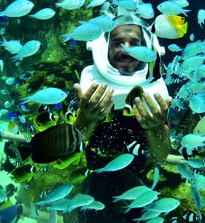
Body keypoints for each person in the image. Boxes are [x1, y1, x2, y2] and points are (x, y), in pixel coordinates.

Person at [72, 15, 172, 222]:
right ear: (104, 48)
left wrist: (155, 127)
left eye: (134, 43)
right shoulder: (91, 88)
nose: (126, 49)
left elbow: (161, 155)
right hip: (96, 185)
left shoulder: (155, 91)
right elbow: (73, 143)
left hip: (137, 186)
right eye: (117, 43)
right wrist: (86, 117)